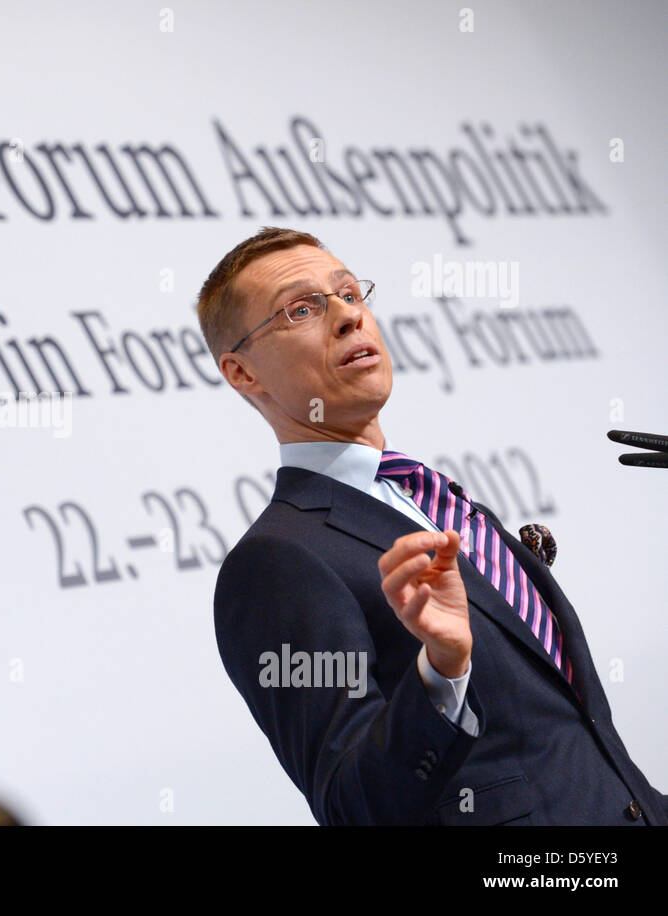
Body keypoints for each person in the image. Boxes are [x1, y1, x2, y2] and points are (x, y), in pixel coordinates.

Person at [198, 226, 667, 825]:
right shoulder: (276, 563)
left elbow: (561, 740)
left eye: (349, 293)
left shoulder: (431, 497)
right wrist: (441, 671)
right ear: (242, 373)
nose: (347, 318)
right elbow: (351, 805)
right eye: (301, 309)